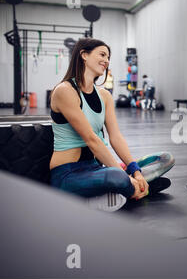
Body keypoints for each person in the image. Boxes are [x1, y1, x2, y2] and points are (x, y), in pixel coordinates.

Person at [49, 38, 174, 212]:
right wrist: (123, 175)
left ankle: (132, 183)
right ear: (84, 55)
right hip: (67, 174)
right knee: (116, 176)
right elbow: (92, 140)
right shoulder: (65, 91)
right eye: (102, 54)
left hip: (95, 168)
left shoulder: (105, 96)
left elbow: (115, 137)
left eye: (108, 57)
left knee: (166, 158)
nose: (106, 61)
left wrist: (135, 170)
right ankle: (139, 187)